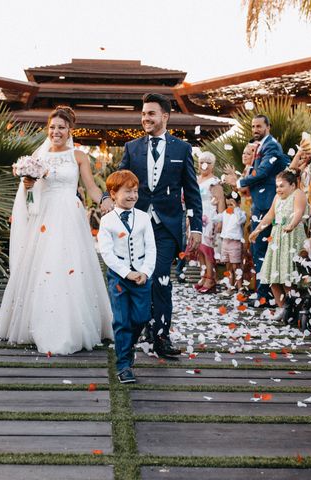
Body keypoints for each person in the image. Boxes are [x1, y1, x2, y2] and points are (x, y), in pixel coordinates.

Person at [0, 106, 113, 354]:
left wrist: (104, 201)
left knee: (70, 265)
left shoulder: (78, 156)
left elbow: (90, 187)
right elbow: (28, 198)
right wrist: (27, 186)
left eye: (61, 127)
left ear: (70, 129)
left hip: (70, 216)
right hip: (44, 218)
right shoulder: (38, 158)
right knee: (44, 266)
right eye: (52, 127)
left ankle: (74, 325)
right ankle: (38, 325)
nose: (56, 131)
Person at [100, 93, 202, 358]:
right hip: (136, 228)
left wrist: (197, 226)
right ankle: (141, 326)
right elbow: (118, 180)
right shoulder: (132, 148)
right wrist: (105, 199)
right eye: (144, 113)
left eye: (151, 114)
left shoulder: (182, 149)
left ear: (165, 116)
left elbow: (192, 191)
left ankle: (162, 337)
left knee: (162, 280)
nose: (145, 118)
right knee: (140, 279)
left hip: (167, 227)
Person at [223, 115, 290, 306]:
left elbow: (262, 173)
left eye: (259, 126)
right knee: (258, 249)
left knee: (261, 248)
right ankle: (264, 292)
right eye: (253, 126)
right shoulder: (261, 146)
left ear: (268, 127)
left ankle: (265, 295)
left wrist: (239, 182)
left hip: (267, 204)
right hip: (260, 203)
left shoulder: (271, 146)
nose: (255, 129)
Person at [98, 170, 156, 383]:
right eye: (127, 192)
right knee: (121, 320)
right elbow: (106, 253)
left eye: (135, 191)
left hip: (141, 276)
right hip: (119, 277)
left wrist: (145, 272)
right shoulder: (107, 221)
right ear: (113, 193)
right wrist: (126, 272)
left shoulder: (143, 217)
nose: (132, 196)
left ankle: (128, 347)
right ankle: (123, 364)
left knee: (141, 317)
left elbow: (151, 248)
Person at [249, 168, 308, 321]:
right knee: (272, 274)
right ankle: (282, 307)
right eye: (277, 186)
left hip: (292, 236)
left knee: (287, 275)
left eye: (282, 185)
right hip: (277, 237)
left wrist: (292, 225)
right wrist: (257, 230)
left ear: (293, 185)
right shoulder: (277, 197)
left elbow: (298, 212)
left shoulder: (298, 194)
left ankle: (295, 308)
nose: (278, 189)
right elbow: (270, 215)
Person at [195, 151, 225, 293]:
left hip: (209, 216)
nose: (204, 165)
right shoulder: (196, 179)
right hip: (196, 216)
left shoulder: (214, 182)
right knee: (198, 248)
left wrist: (220, 221)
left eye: (207, 162)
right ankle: (204, 274)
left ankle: (211, 278)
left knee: (207, 248)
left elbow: (220, 201)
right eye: (201, 162)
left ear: (212, 165)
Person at [213, 193, 246, 290]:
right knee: (228, 266)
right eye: (228, 205)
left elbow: (241, 220)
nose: (229, 207)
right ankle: (230, 287)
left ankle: (240, 288)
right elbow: (215, 218)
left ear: (238, 203)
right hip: (225, 242)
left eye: (231, 204)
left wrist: (236, 208)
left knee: (236, 266)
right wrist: (214, 206)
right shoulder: (225, 213)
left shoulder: (241, 213)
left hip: (235, 243)